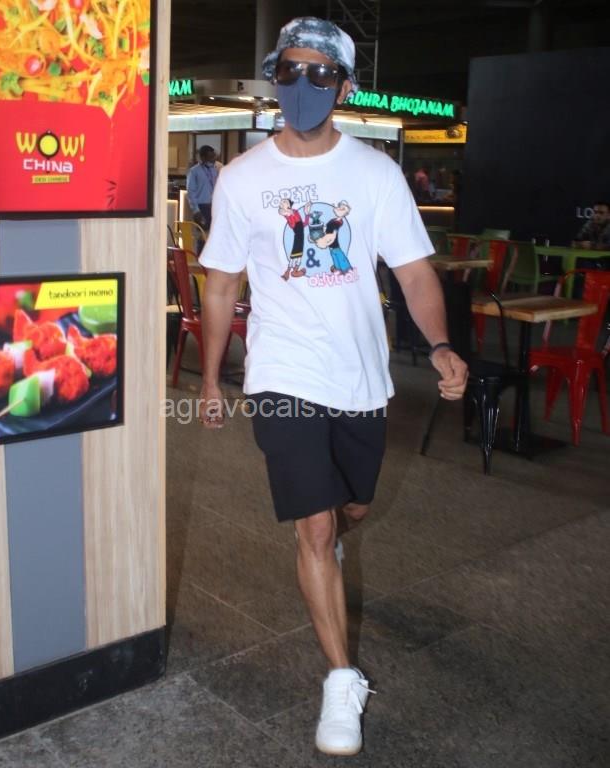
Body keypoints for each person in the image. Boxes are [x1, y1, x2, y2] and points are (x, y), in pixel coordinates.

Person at [198, 16, 468, 757]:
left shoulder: (375, 174)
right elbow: (220, 284)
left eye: (320, 73)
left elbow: (414, 271)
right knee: (314, 526)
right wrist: (213, 379)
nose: (302, 85)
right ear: (274, 79)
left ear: (344, 87)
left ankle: (329, 539)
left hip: (359, 378)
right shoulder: (243, 177)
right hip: (281, 373)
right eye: (289, 71)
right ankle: (341, 679)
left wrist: (440, 344)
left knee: (352, 508)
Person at [186, 145, 220, 230]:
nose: (213, 159)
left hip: (214, 206)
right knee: (202, 234)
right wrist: (196, 210)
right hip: (202, 207)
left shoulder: (214, 170)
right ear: (203, 158)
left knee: (213, 233)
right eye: (210, 157)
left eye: (213, 156)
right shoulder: (194, 171)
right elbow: (191, 192)